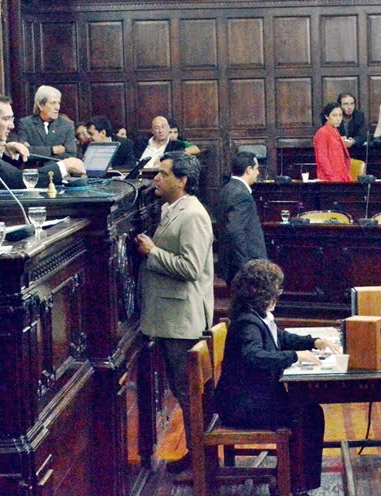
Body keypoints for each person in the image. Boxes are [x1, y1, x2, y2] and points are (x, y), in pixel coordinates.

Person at [214, 259, 339, 491]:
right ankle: (297, 484)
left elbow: (280, 338)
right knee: (308, 414)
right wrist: (295, 356)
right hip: (244, 406)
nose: (278, 295)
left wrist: (312, 342)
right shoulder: (247, 324)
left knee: (309, 410)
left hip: (252, 399)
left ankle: (293, 477)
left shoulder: (256, 317)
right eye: (276, 290)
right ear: (264, 293)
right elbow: (254, 356)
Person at [136, 151, 214, 481]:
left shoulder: (193, 214)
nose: (156, 178)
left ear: (181, 180)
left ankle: (203, 466)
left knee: (189, 395)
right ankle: (197, 457)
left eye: (163, 174)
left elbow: (191, 268)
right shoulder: (175, 208)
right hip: (171, 317)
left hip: (183, 319)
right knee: (184, 393)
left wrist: (153, 253)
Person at [215, 151, 268, 284]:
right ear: (248, 170)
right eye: (256, 168)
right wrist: (246, 267)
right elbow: (235, 231)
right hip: (244, 265)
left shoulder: (226, 189)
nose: (258, 173)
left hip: (230, 263)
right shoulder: (241, 194)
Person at [16, 85, 77, 168]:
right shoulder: (26, 123)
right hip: (32, 173)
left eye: (58, 103)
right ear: (41, 105)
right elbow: (23, 152)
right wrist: (52, 150)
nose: (57, 107)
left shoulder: (67, 125)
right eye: (53, 103)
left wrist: (35, 151)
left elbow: (71, 155)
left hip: (57, 174)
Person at [313, 102, 352, 182]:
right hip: (330, 178)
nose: (338, 119)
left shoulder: (335, 131)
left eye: (340, 115)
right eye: (334, 115)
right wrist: (333, 178)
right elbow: (322, 158)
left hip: (342, 175)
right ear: (327, 116)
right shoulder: (322, 132)